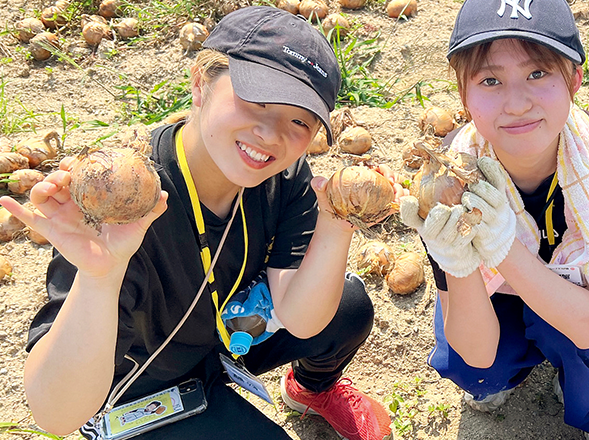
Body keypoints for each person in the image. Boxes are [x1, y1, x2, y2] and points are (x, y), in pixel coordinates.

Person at [2, 7, 392, 440]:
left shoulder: (285, 175)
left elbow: (302, 319)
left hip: (223, 336)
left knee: (348, 306)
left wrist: (338, 222)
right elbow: (56, 416)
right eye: (255, 100)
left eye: (298, 120)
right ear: (199, 85)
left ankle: (309, 391)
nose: (270, 132)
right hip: (133, 386)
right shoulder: (124, 200)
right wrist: (100, 276)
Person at [398, 0, 589, 438]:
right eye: (490, 80)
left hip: (576, 297)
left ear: (574, 79)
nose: (516, 103)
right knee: (477, 367)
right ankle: (506, 376)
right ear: (464, 96)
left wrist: (502, 249)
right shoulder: (447, 181)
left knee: (578, 344)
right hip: (493, 294)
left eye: (538, 73)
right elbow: (474, 350)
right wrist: (460, 263)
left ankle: (588, 398)